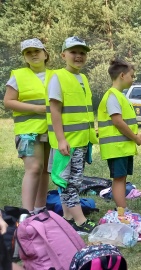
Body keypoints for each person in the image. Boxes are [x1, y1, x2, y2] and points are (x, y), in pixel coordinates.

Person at [46, 36, 98, 234]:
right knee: (70, 182)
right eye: (74, 52)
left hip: (81, 140)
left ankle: (68, 217)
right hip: (67, 142)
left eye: (82, 52)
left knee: (72, 180)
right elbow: (55, 110)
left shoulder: (82, 78)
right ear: (63, 55)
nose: (78, 56)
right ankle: (80, 220)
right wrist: (61, 139)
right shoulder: (58, 77)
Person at [3, 38, 53, 215]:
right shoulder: (18, 75)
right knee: (33, 169)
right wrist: (37, 109)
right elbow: (8, 102)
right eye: (28, 52)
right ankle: (26, 213)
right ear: (25, 57)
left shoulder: (56, 76)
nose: (33, 55)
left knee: (46, 170)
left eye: (37, 51)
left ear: (45, 54)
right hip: (28, 131)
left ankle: (40, 209)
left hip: (50, 130)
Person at [97, 59, 141, 219]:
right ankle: (121, 212)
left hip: (122, 147)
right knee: (118, 180)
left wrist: (136, 137)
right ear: (122, 75)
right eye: (132, 76)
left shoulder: (119, 96)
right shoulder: (112, 96)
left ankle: (122, 210)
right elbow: (117, 121)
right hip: (116, 148)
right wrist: (135, 138)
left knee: (122, 179)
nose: (133, 79)